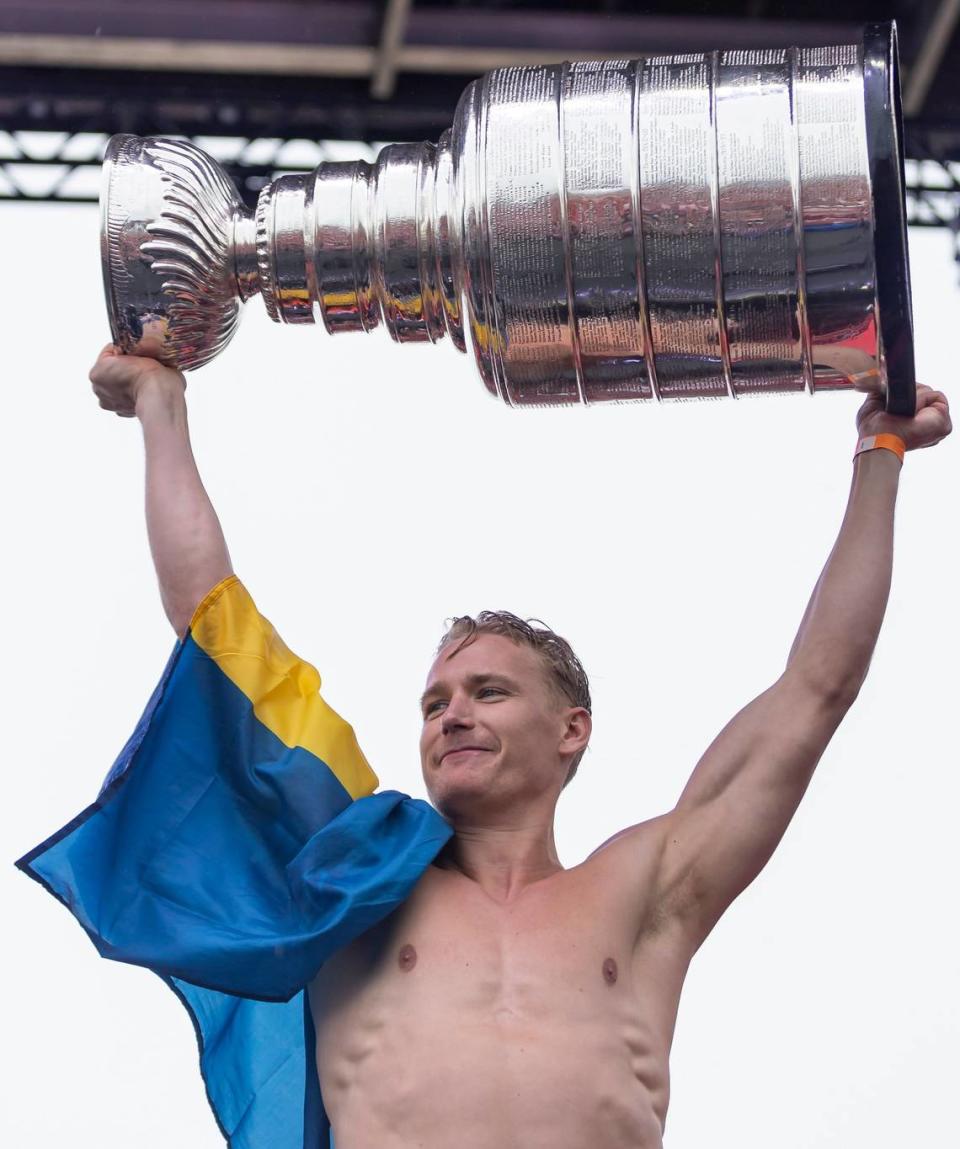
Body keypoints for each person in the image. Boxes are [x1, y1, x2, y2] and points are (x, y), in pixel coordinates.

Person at [82, 345, 952, 1147]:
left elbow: (815, 690)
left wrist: (881, 451)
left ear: (572, 729)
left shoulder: (645, 888)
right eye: (434, 703)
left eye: (487, 692)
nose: (451, 715)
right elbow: (215, 627)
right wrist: (162, 405)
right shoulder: (352, 878)